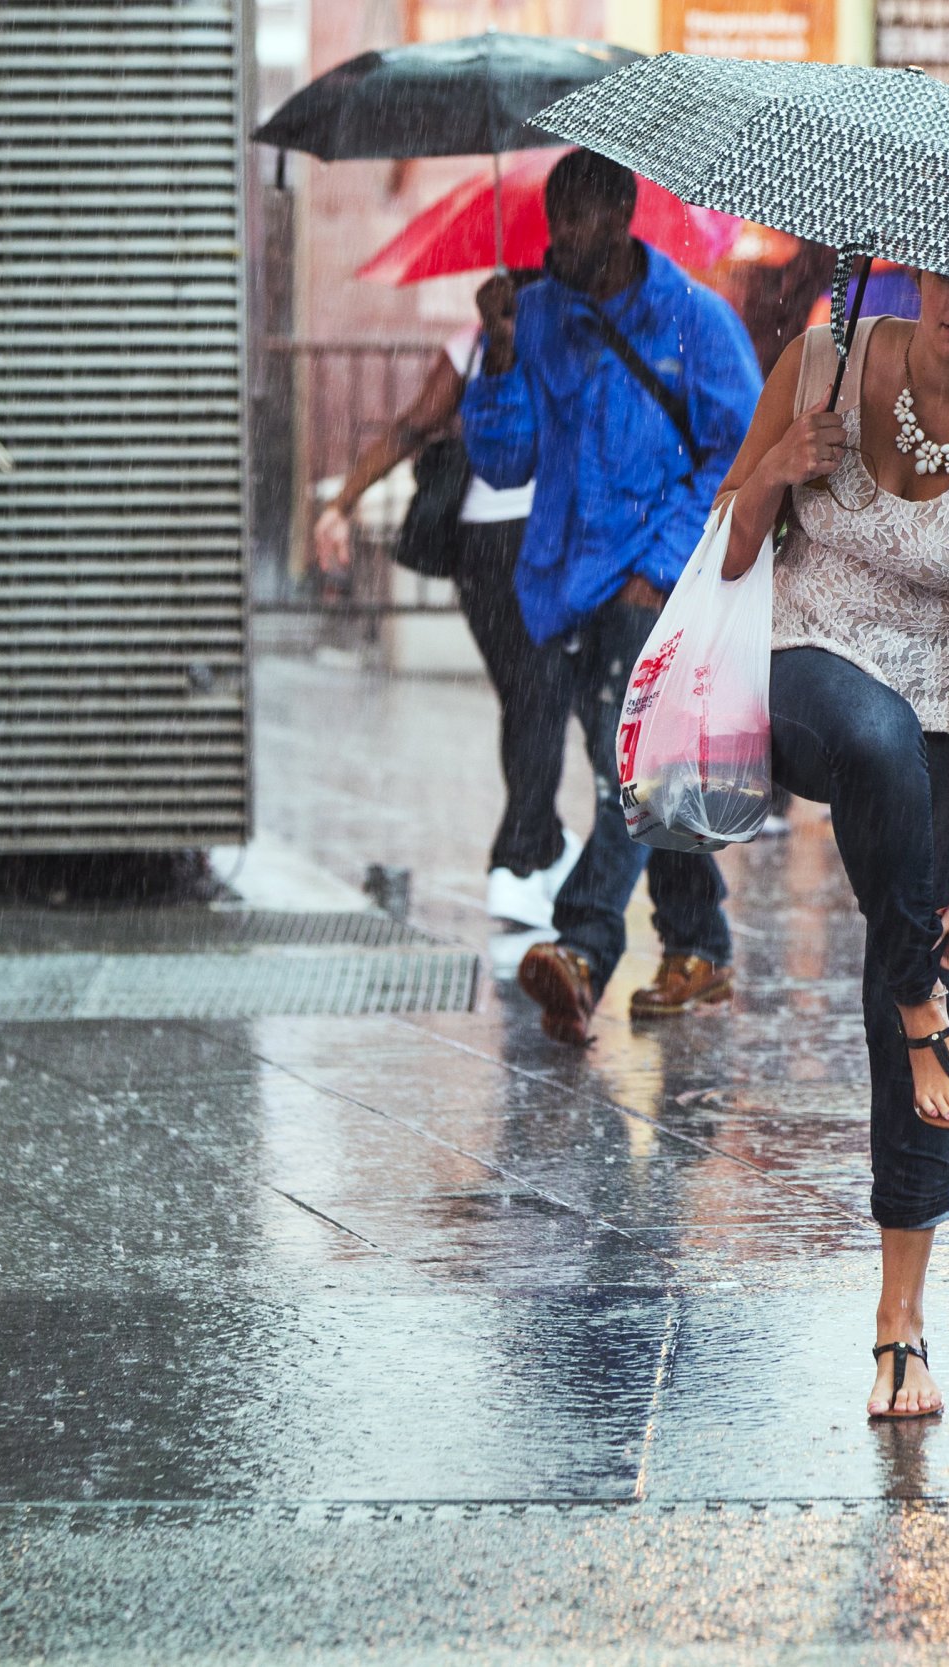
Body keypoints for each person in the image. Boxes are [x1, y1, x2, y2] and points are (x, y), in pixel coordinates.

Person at [714, 276, 949, 1421]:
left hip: (947, 717)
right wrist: (779, 465)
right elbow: (724, 548)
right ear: (919, 267)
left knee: (909, 986)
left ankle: (900, 1326)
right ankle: (927, 1003)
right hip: (803, 658)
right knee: (870, 739)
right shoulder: (822, 357)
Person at [462, 150, 762, 1047]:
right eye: (558, 222)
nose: (567, 240)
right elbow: (502, 461)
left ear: (623, 213)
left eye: (585, 219)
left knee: (624, 765)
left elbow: (737, 454)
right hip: (559, 586)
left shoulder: (694, 321)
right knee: (644, 765)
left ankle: (585, 947)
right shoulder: (533, 314)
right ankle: (698, 943)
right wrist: (504, 356)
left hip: (647, 581)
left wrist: (662, 563)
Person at [313, 275, 579, 930]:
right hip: (541, 540)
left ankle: (542, 843)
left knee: (526, 697)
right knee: (540, 695)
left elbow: (409, 428)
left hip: (478, 549)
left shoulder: (469, 346)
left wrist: (342, 502)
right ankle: (517, 863)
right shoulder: (568, 341)